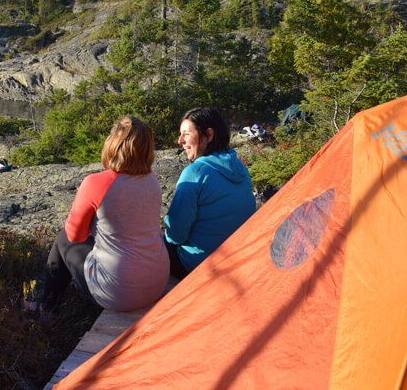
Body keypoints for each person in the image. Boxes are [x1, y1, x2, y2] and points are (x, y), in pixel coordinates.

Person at [38, 116, 169, 312]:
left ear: (113, 144)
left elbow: (75, 236)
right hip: (158, 282)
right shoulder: (153, 181)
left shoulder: (95, 183)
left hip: (119, 293)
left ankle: (44, 307)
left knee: (63, 239)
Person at [164, 107, 256, 279]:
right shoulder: (240, 169)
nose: (180, 140)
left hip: (201, 266)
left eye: (186, 134)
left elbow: (175, 235)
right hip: (239, 260)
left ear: (209, 134)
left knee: (157, 244)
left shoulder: (195, 172)